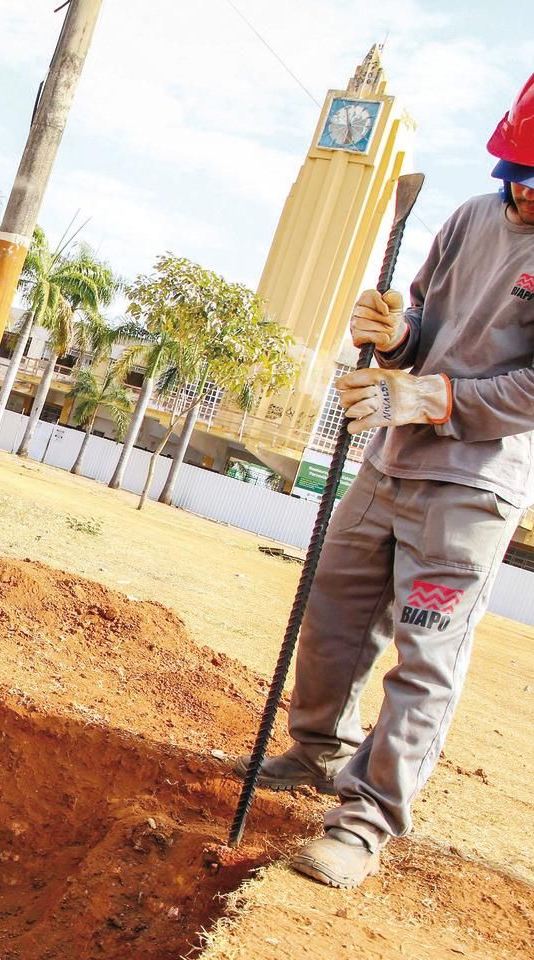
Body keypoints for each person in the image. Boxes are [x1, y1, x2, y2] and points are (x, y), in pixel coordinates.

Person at [234, 73, 534, 889]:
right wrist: (396, 335)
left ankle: (365, 824)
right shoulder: (474, 216)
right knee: (333, 615)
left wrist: (434, 394)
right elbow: (420, 335)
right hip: (389, 456)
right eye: (520, 177)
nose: (526, 197)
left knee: (425, 655)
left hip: (472, 485)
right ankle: (317, 751)